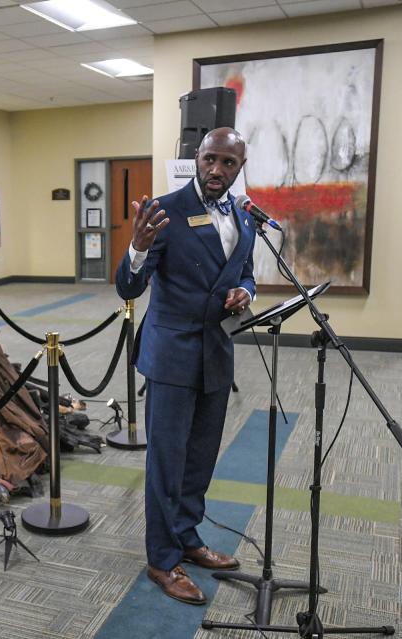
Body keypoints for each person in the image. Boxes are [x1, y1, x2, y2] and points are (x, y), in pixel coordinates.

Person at [115, 127, 256, 605]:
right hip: (172, 355)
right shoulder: (166, 211)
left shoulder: (244, 214)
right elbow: (129, 289)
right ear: (197, 158)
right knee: (166, 462)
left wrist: (247, 293)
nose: (217, 170)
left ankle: (188, 537)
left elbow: (247, 273)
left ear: (240, 167)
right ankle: (161, 557)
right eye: (210, 159)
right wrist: (135, 248)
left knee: (199, 458)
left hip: (217, 352)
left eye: (228, 163)